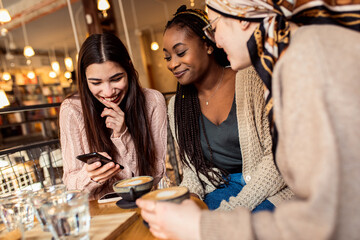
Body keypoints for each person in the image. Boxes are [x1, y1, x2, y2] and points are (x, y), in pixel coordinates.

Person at [137, 0, 360, 239]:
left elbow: (335, 218)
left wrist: (204, 226)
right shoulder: (288, 59)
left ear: (242, 17)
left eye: (214, 26)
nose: (217, 40)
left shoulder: (300, 60)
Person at [164, 5, 292, 212]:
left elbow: (277, 160)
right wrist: (191, 198)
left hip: (270, 188)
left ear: (208, 45)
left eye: (180, 52)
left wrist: (237, 207)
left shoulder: (253, 78)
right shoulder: (177, 106)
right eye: (168, 57)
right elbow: (192, 170)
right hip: (220, 188)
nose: (172, 64)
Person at [60, 33, 167, 200]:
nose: (109, 92)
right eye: (96, 83)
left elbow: (156, 174)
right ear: (84, 79)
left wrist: (123, 135)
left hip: (141, 205)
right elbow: (70, 184)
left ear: (129, 68)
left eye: (116, 79)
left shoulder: (153, 101)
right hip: (98, 214)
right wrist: (91, 177)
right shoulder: (72, 109)